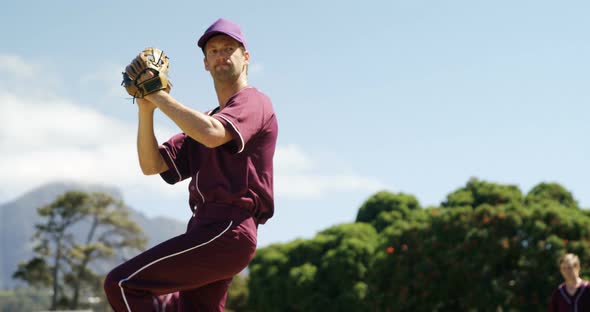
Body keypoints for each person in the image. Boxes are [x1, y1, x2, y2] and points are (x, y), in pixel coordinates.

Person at [104, 18, 278, 311]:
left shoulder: (254, 102)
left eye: (228, 48)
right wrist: (146, 109)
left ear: (246, 57)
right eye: (213, 51)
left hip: (228, 228)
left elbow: (213, 134)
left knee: (122, 284)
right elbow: (152, 164)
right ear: (205, 64)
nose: (220, 55)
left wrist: (158, 94)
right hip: (204, 228)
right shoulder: (202, 120)